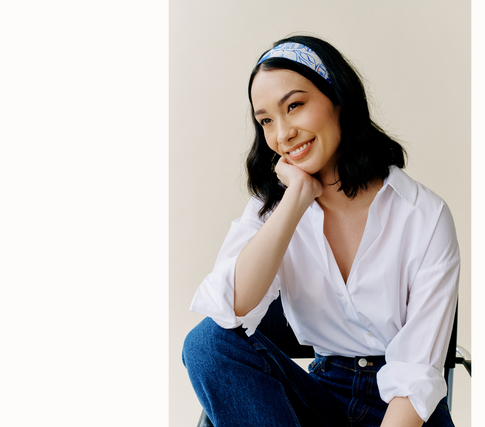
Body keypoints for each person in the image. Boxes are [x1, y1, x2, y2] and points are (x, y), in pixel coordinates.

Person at [182, 35, 460, 427]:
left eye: (294, 106)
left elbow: (415, 379)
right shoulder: (274, 211)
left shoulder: (423, 216)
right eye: (266, 120)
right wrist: (295, 200)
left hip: (403, 410)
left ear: (338, 98)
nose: (282, 134)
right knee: (207, 345)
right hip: (324, 395)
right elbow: (231, 309)